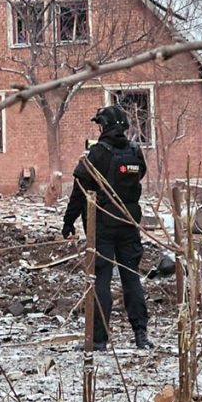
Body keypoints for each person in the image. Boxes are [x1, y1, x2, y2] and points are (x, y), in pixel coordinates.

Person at [61, 105, 153, 351]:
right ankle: (141, 335)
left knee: (100, 280)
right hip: (129, 222)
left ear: (105, 126)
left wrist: (68, 222)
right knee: (131, 277)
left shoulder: (97, 154)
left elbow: (78, 192)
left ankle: (99, 340)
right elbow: (139, 176)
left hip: (101, 225)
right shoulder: (135, 152)